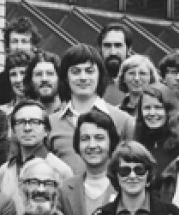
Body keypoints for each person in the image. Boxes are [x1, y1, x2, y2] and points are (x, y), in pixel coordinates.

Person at [47, 44, 134, 174]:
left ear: (99, 75)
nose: (83, 77)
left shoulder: (123, 120)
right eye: (75, 71)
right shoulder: (50, 123)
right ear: (66, 77)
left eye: (89, 71)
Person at [0, 100, 74, 212]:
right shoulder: (4, 171)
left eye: (35, 122)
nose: (27, 128)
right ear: (13, 130)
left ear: (46, 130)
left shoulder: (60, 170)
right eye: (20, 122)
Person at [0, 17, 40, 107]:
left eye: (24, 41)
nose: (19, 47)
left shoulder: (41, 79)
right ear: (7, 46)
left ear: (33, 46)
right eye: (15, 41)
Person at [132, 82, 179, 173]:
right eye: (147, 108)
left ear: (169, 110)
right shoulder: (136, 141)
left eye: (158, 107)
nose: (152, 113)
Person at [99, 22, 135, 106]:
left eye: (118, 45)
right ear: (100, 48)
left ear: (129, 49)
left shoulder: (139, 82)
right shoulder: (90, 81)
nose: (113, 52)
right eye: (107, 46)